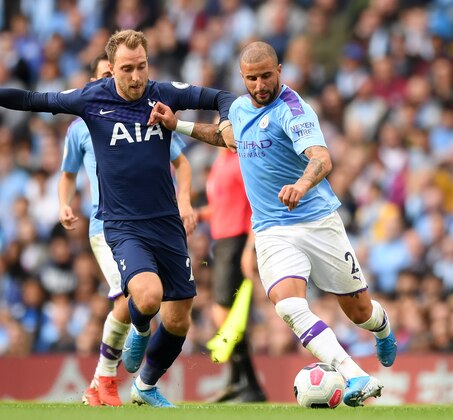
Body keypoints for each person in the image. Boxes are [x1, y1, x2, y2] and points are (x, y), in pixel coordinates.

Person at [0, 29, 234, 407]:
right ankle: (137, 331)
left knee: (178, 321)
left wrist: (228, 122)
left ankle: (145, 386)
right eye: (127, 69)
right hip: (122, 226)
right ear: (111, 70)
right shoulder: (92, 99)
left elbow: (220, 96)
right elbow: (30, 99)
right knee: (147, 296)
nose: (136, 77)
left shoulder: (163, 93)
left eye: (142, 67)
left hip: (167, 222)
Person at [148, 41, 397, 407]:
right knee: (287, 304)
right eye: (252, 78)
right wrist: (178, 124)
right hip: (271, 229)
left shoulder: (294, 110)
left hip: (316, 221)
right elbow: (225, 137)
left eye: (267, 75)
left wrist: (301, 184)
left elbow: (321, 158)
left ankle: (383, 327)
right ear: (242, 77)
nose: (261, 84)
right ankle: (353, 373)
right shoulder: (238, 108)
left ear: (279, 70)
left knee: (359, 312)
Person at [58, 53, 197, 406]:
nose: (121, 82)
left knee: (173, 311)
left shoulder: (149, 112)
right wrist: (64, 203)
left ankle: (125, 383)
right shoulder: (82, 125)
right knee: (131, 296)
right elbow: (68, 173)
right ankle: (104, 378)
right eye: (107, 76)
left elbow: (181, 163)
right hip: (106, 225)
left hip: (156, 220)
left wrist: (185, 201)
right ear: (95, 83)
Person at [200, 147, 266, 403]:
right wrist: (199, 214)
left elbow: (256, 205)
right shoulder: (221, 161)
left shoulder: (240, 161)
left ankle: (246, 383)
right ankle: (240, 382)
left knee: (226, 313)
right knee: (225, 315)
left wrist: (250, 248)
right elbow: (223, 206)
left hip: (237, 241)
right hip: (224, 241)